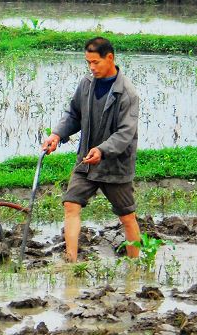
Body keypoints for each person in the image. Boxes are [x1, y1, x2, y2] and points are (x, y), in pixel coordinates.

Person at [42, 37, 141, 263]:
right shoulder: (86, 84)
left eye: (95, 62)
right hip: (86, 161)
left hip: (114, 166)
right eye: (88, 63)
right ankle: (71, 262)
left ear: (110, 58)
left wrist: (103, 150)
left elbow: (125, 133)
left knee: (127, 216)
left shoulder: (127, 93)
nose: (92, 68)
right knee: (71, 203)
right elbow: (73, 114)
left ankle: (135, 267)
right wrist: (57, 134)